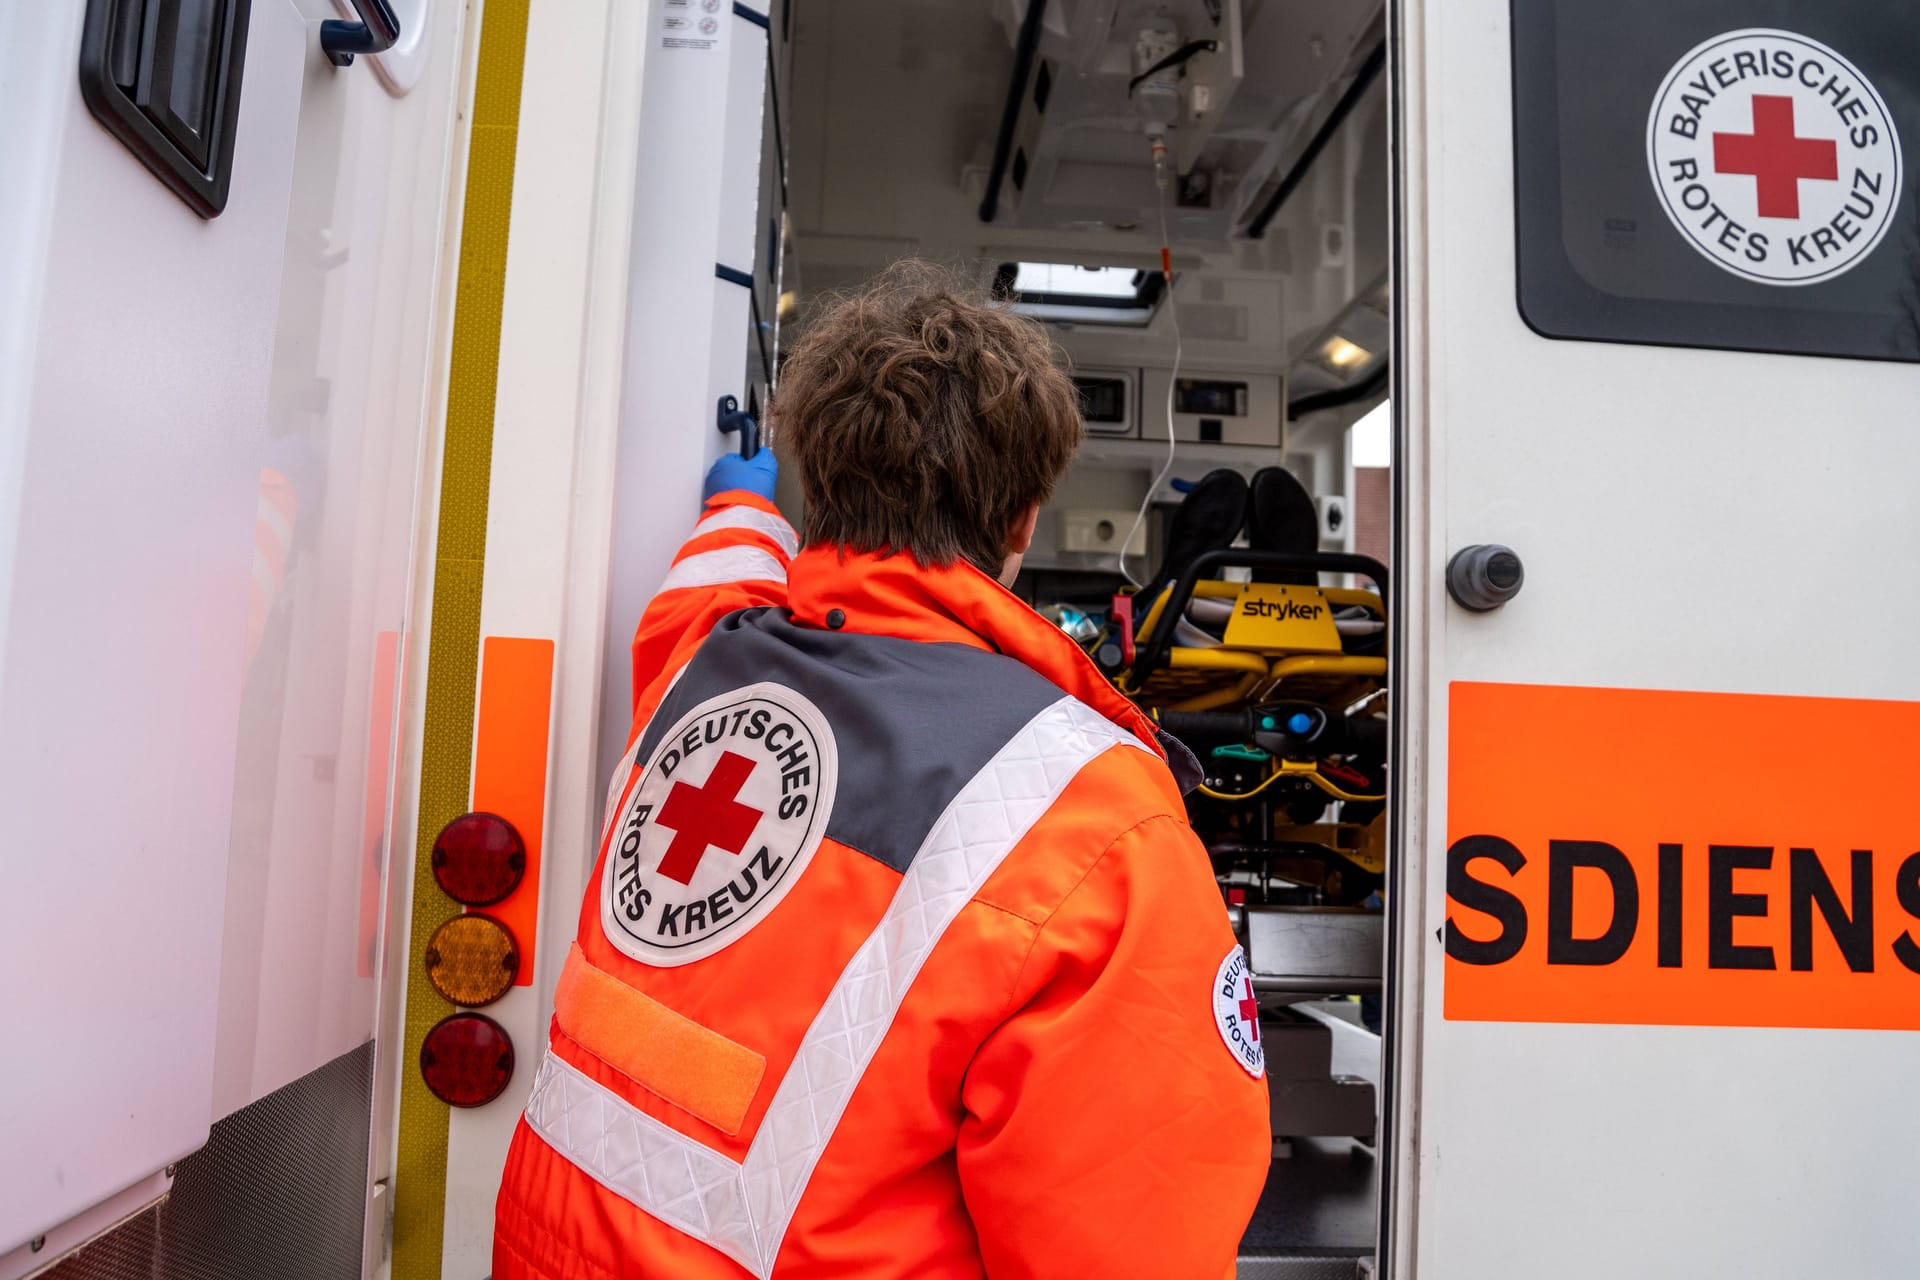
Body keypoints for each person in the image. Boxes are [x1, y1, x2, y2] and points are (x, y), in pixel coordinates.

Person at [493, 262, 1270, 1280]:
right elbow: (1127, 1237)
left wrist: (739, 502)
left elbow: (708, 581)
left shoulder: (706, 665)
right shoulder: (1098, 822)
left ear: (824, 486)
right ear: (1025, 519)